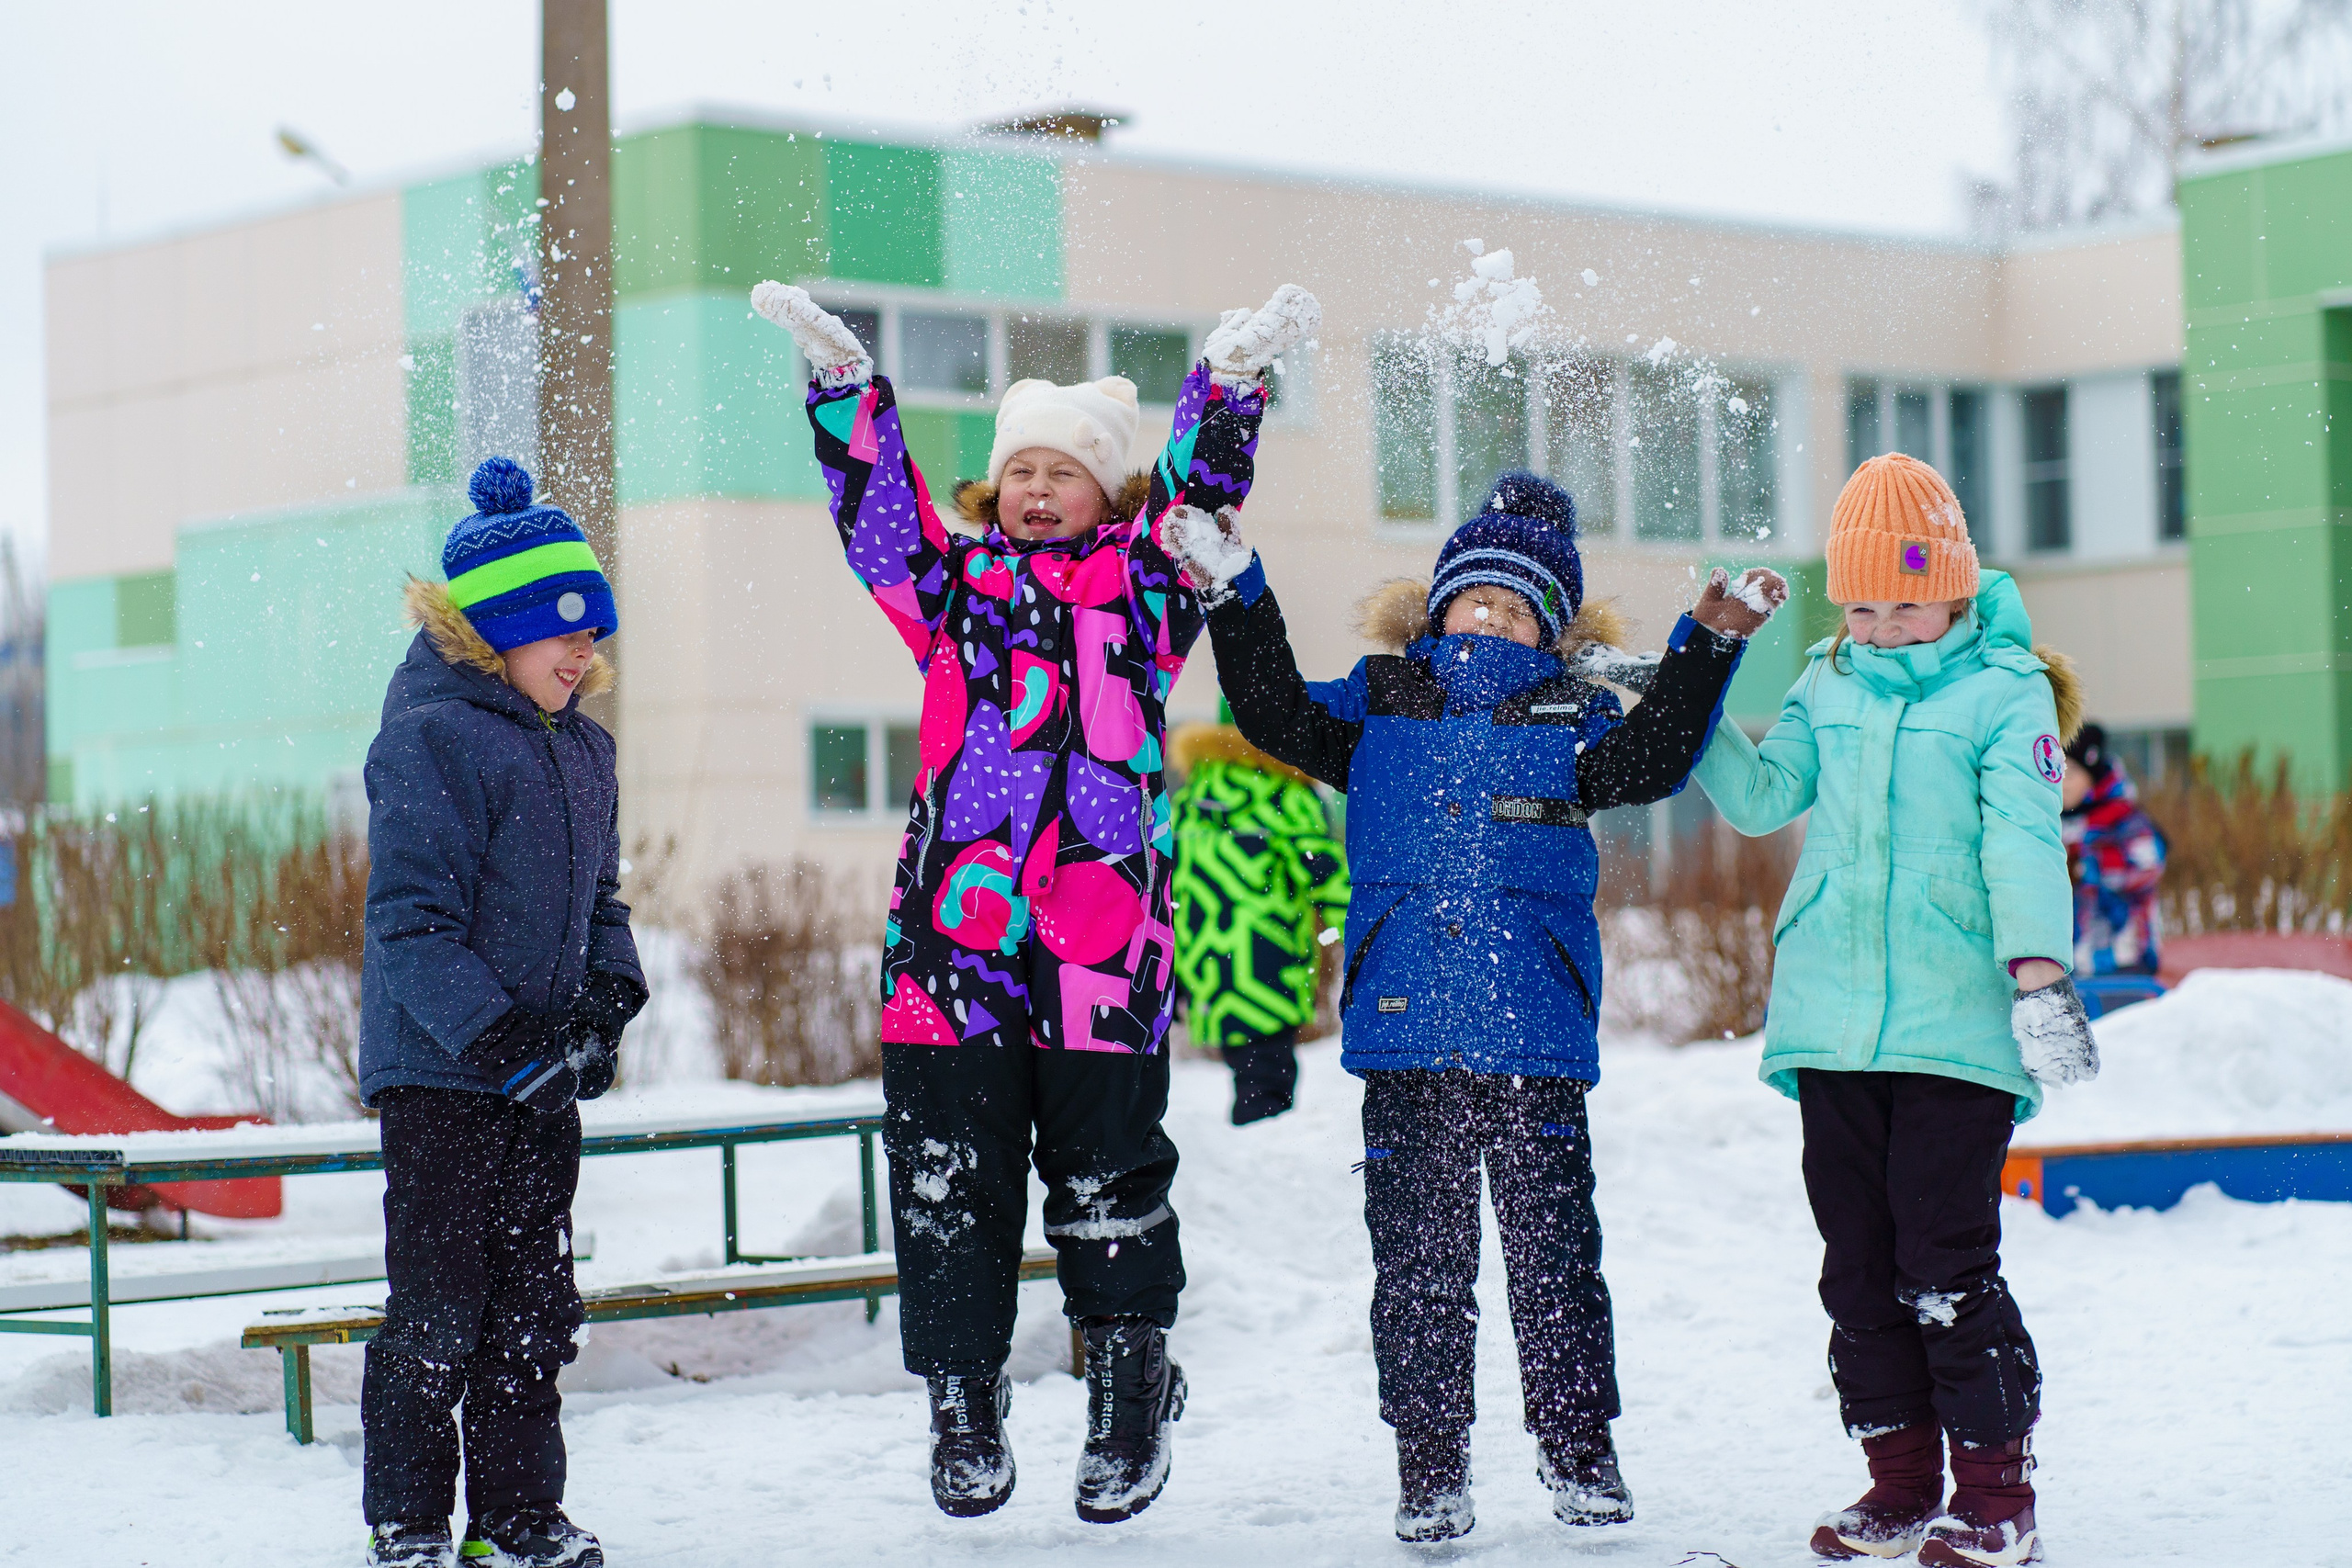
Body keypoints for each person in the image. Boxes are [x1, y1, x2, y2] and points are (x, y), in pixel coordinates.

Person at [750, 277, 1318, 1524]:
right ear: (995, 487)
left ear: (1109, 493)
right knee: (948, 1174)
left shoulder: (1146, 589)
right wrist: (845, 392)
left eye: (1067, 472)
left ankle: (1127, 1388)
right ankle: (962, 1401)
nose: (1041, 489)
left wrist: (1226, 388)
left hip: (1104, 944)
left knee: (1109, 1171)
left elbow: (1198, 502)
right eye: (1023, 470)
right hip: (952, 941)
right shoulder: (951, 590)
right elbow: (878, 522)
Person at [1193, 468, 1786, 1543]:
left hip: (1532, 1035)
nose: (1493, 619)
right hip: (1406, 1029)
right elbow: (1269, 708)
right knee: (1417, 1271)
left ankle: (1579, 1452)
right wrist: (1235, 591)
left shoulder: (1572, 715)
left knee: (1555, 1262)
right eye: (1476, 598)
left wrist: (1707, 645)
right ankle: (1430, 1468)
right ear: (1436, 607)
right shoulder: (1377, 700)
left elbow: (1657, 757)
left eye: (1518, 609)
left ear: (1551, 631)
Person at [1689, 453, 2098, 1566]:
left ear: (1954, 589)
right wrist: (1689, 710)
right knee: (1858, 1267)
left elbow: (2023, 841)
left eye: (1905, 603)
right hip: (1831, 1019)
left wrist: (2038, 975)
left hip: (1954, 1022)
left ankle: (1997, 1494)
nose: (1879, 626)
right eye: (1860, 605)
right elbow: (1763, 798)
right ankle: (1901, 1481)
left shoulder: (2004, 691)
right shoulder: (1827, 680)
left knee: (1943, 1262)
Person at [356, 457, 647, 1568]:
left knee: (534, 1310)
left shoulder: (585, 750)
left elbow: (601, 900)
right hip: (443, 1077)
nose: (583, 653)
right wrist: (501, 1040)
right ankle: (410, 1524)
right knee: (439, 1310)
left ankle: (518, 1517)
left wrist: (605, 1002)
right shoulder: (432, 736)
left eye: (590, 634)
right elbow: (411, 924)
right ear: (496, 634)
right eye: (560, 634)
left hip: (539, 1085)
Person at [1169, 698, 1351, 1123]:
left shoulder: (1195, 794)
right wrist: (1360, 937)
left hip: (1204, 954)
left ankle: (1250, 1132)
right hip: (1268, 956)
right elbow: (1326, 877)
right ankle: (1262, 1135)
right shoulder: (1284, 794)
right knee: (1269, 1075)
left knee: (1247, 1067)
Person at [2062, 723, 2167, 976]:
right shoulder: (2054, 822)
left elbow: (2148, 869)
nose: (2063, 783)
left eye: (2072, 773)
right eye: (2058, 772)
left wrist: (2089, 867)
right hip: (2071, 961)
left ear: (2092, 775)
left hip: (2126, 958)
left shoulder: (2125, 819)